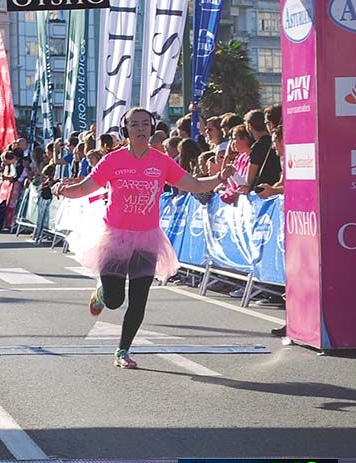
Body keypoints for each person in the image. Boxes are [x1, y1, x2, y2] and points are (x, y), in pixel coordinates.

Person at [54, 107, 233, 369]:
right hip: (114, 237)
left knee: (139, 299)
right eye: (134, 125)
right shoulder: (113, 160)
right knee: (116, 301)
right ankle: (103, 292)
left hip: (147, 239)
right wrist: (65, 190)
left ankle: (122, 351)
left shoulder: (161, 161)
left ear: (151, 128)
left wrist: (218, 178)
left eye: (144, 125)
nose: (140, 129)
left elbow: (192, 184)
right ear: (125, 130)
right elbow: (86, 187)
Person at [241, 109, 281, 193]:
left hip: (263, 191)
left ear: (250, 126)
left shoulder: (257, 147)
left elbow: (249, 180)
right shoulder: (275, 141)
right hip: (276, 186)